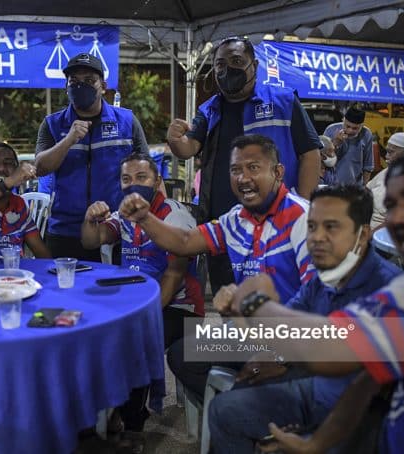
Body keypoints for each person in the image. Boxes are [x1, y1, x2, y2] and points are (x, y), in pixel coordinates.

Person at [214, 147, 404, 454]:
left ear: (363, 234)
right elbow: (367, 375)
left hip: (301, 364)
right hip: (273, 344)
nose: (315, 238)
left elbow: (328, 349)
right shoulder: (332, 276)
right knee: (194, 349)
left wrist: (253, 303)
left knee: (219, 367)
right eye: (312, 227)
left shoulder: (392, 286)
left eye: (331, 227)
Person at [165, 36, 321, 294]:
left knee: (277, 304)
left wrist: (303, 209)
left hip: (275, 226)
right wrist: (173, 139)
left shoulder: (282, 101)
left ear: (254, 66)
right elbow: (188, 148)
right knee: (229, 303)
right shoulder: (210, 109)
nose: (227, 70)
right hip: (224, 228)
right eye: (220, 65)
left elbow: (310, 153)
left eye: (236, 61)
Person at [81, 152, 203, 452]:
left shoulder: (174, 216)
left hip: (178, 307)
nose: (133, 184)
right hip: (133, 303)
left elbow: (174, 277)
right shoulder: (124, 213)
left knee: (135, 342)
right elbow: (91, 241)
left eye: (141, 177)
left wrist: (139, 315)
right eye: (126, 179)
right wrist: (90, 219)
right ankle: (106, 411)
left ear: (157, 181)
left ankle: (133, 423)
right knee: (88, 332)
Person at [120, 134, 314, 305]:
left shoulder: (304, 219)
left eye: (253, 168)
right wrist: (144, 217)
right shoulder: (235, 219)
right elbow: (185, 242)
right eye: (235, 170)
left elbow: (318, 298)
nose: (243, 178)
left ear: (278, 172)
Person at [35, 52, 149, 261]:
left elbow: (147, 171)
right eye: (74, 81)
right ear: (66, 87)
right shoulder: (52, 124)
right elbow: (40, 168)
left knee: (115, 291)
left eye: (89, 81)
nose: (81, 86)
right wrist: (68, 139)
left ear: (103, 86)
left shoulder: (126, 120)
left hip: (115, 229)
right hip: (64, 231)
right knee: (64, 291)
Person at [367, 132, 404, 230]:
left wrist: (371, 235)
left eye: (391, 152)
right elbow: (367, 190)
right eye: (387, 151)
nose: (386, 156)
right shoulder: (387, 172)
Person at [324, 106, 374, 185]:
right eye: (347, 126)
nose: (350, 131)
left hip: (354, 187)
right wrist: (335, 143)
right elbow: (323, 159)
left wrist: (364, 186)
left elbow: (368, 165)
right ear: (343, 120)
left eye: (355, 128)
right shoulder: (331, 130)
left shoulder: (366, 134)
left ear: (361, 126)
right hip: (331, 185)